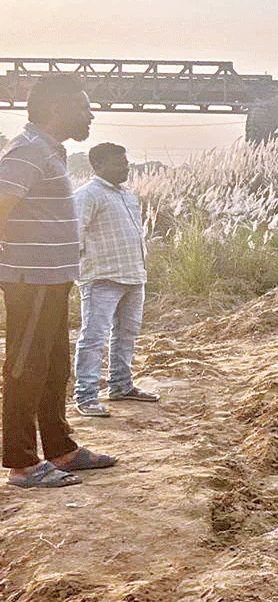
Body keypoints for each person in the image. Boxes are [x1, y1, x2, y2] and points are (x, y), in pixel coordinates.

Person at [0, 74, 116, 488]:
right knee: (24, 368)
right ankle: (22, 464)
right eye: (83, 107)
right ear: (56, 109)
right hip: (29, 280)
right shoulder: (27, 152)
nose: (91, 114)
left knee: (51, 368)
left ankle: (61, 449)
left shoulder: (48, 151)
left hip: (51, 280)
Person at [72, 142, 159, 417]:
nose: (126, 166)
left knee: (126, 334)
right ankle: (85, 396)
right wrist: (83, 268)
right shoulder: (87, 195)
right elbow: (74, 236)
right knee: (94, 337)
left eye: (126, 161)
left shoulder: (128, 195)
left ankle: (121, 385)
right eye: (119, 162)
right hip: (101, 277)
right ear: (99, 165)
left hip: (133, 274)